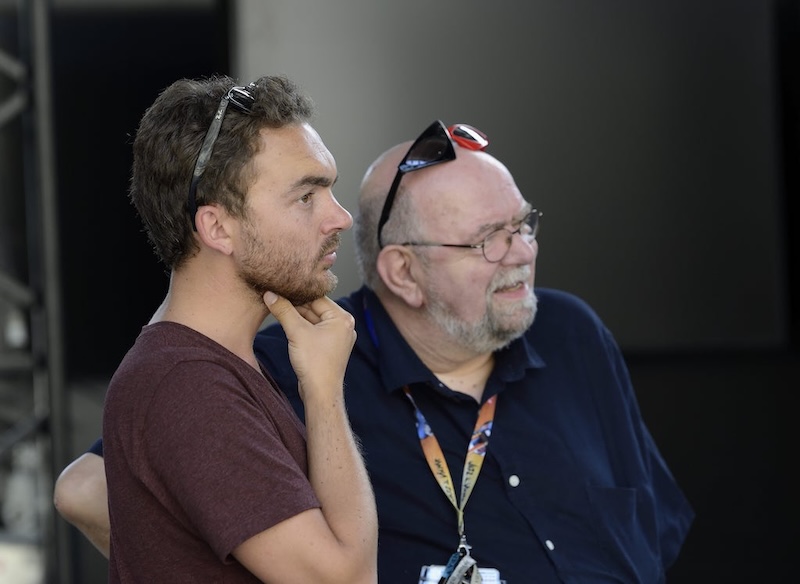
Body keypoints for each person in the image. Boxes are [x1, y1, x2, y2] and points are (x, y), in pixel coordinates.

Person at [55, 119, 693, 583]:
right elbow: (85, 490)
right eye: (489, 239)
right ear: (402, 272)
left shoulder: (570, 331)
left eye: (523, 224)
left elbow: (653, 530)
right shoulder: (293, 359)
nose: (522, 251)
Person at [91, 73, 378, 583]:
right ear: (218, 228)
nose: (341, 218)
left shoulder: (211, 365)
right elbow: (347, 580)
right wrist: (324, 391)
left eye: (329, 190)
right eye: (306, 197)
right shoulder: (186, 386)